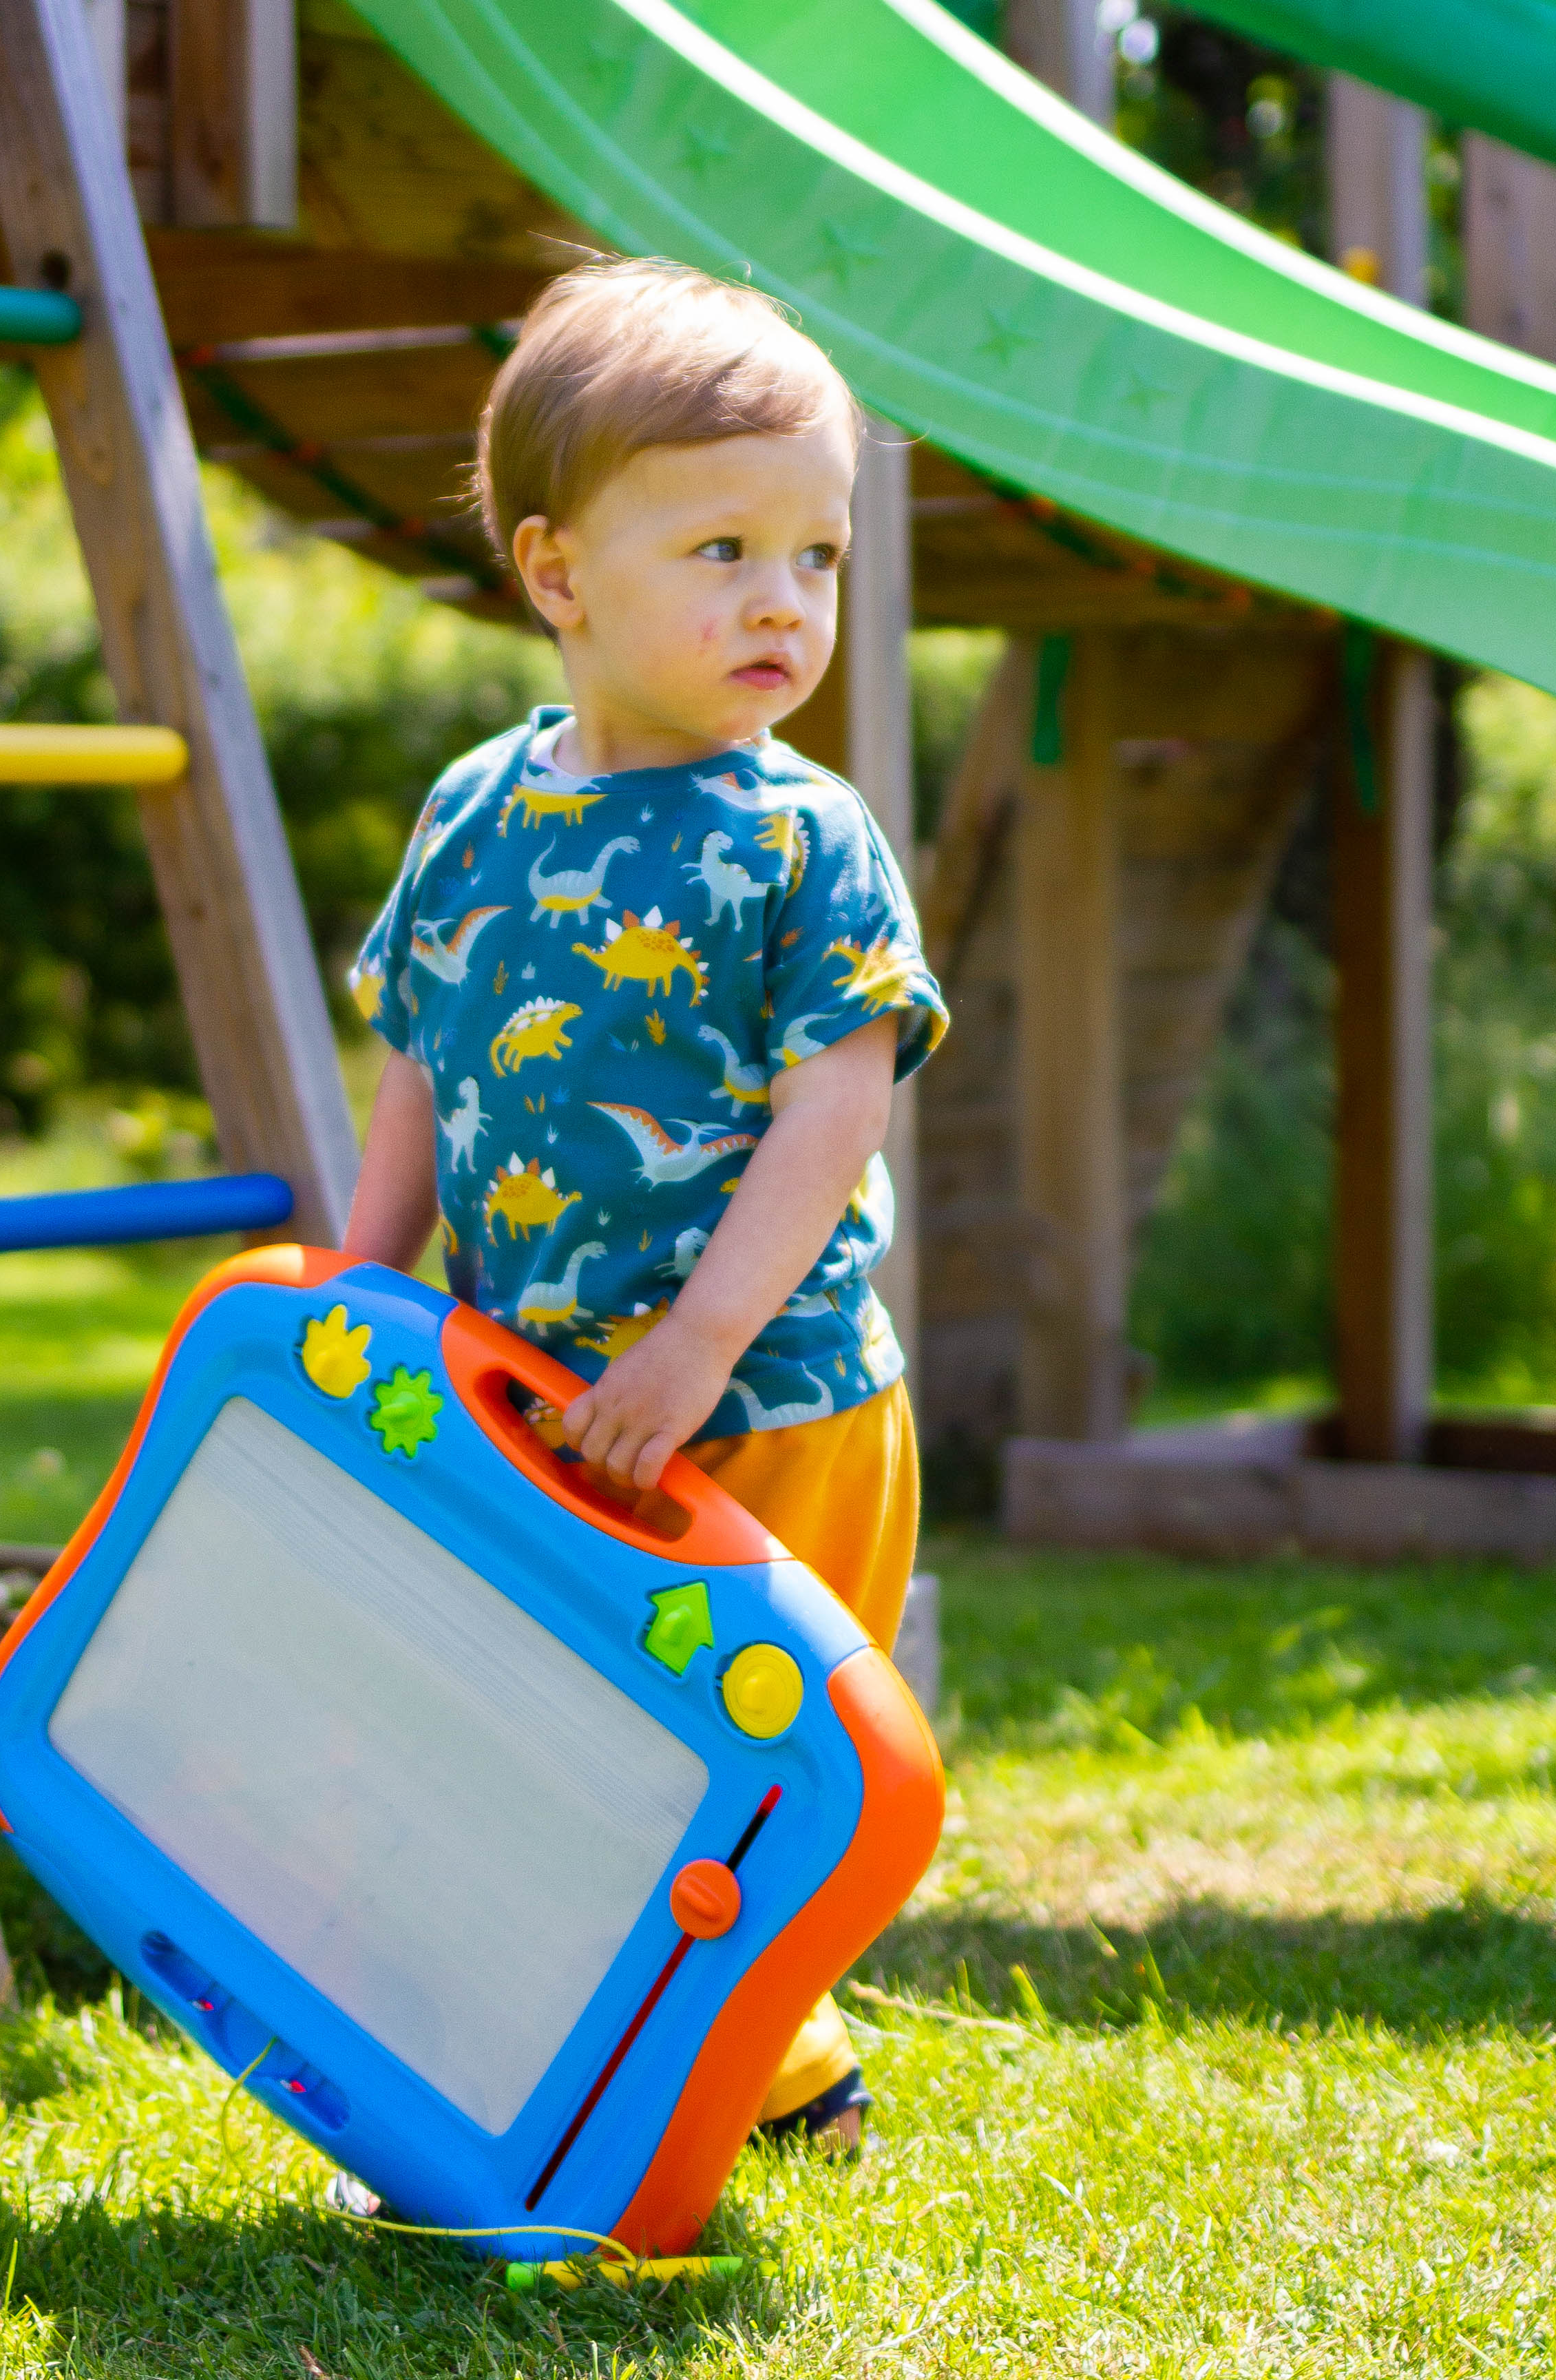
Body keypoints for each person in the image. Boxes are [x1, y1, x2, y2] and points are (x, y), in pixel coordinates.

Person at [340, 255, 947, 2158]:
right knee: (559, 1748)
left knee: (732, 1769)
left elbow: (840, 1106)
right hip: (538, 1400)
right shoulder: (474, 813)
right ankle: (748, 2079)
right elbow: (428, 1057)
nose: (786, 600)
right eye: (725, 551)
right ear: (556, 574)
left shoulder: (800, 838)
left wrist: (702, 1341)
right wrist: (352, 1278)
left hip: (773, 1406)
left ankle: (707, 2096)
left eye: (820, 557)